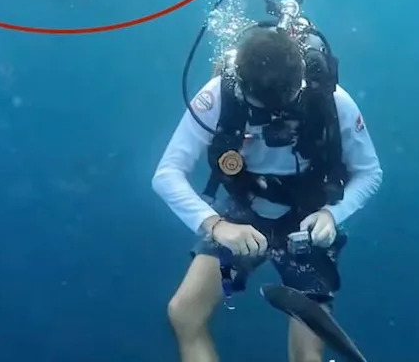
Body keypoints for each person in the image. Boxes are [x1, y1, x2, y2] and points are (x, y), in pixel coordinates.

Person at [152, 25, 383, 362]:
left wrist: (333, 214)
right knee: (185, 313)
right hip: (241, 218)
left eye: (285, 101)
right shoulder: (219, 95)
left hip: (308, 222)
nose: (275, 116)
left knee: (308, 352)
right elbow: (166, 174)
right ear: (241, 84)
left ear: (301, 78)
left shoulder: (333, 101)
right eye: (262, 105)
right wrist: (217, 226)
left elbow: (370, 172)